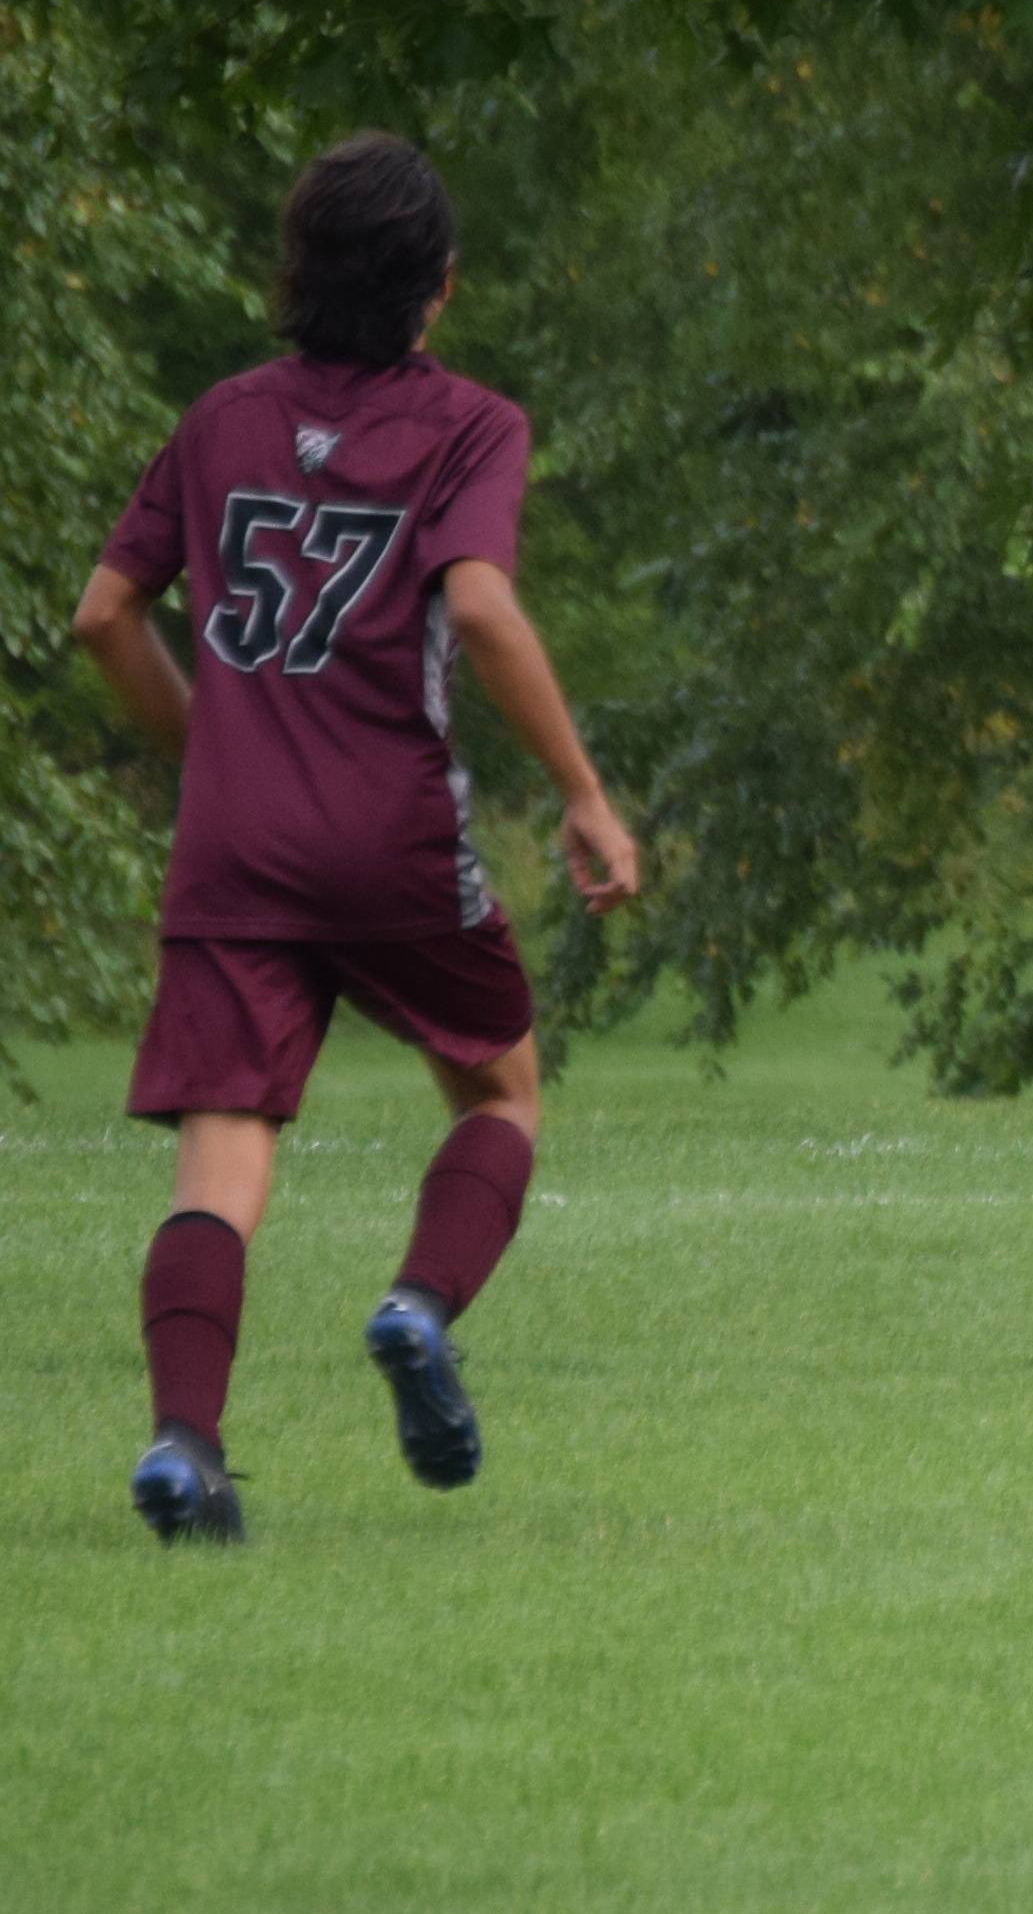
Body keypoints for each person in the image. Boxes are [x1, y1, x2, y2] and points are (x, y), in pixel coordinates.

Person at [71, 131, 639, 1543]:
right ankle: (418, 1305)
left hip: (233, 852)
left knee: (221, 1161)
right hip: (389, 836)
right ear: (437, 287)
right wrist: (582, 789)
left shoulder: (220, 420)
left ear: (298, 272)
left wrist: (213, 753)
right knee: (501, 1093)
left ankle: (184, 1447)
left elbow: (104, 615)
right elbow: (483, 607)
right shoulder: (471, 425)